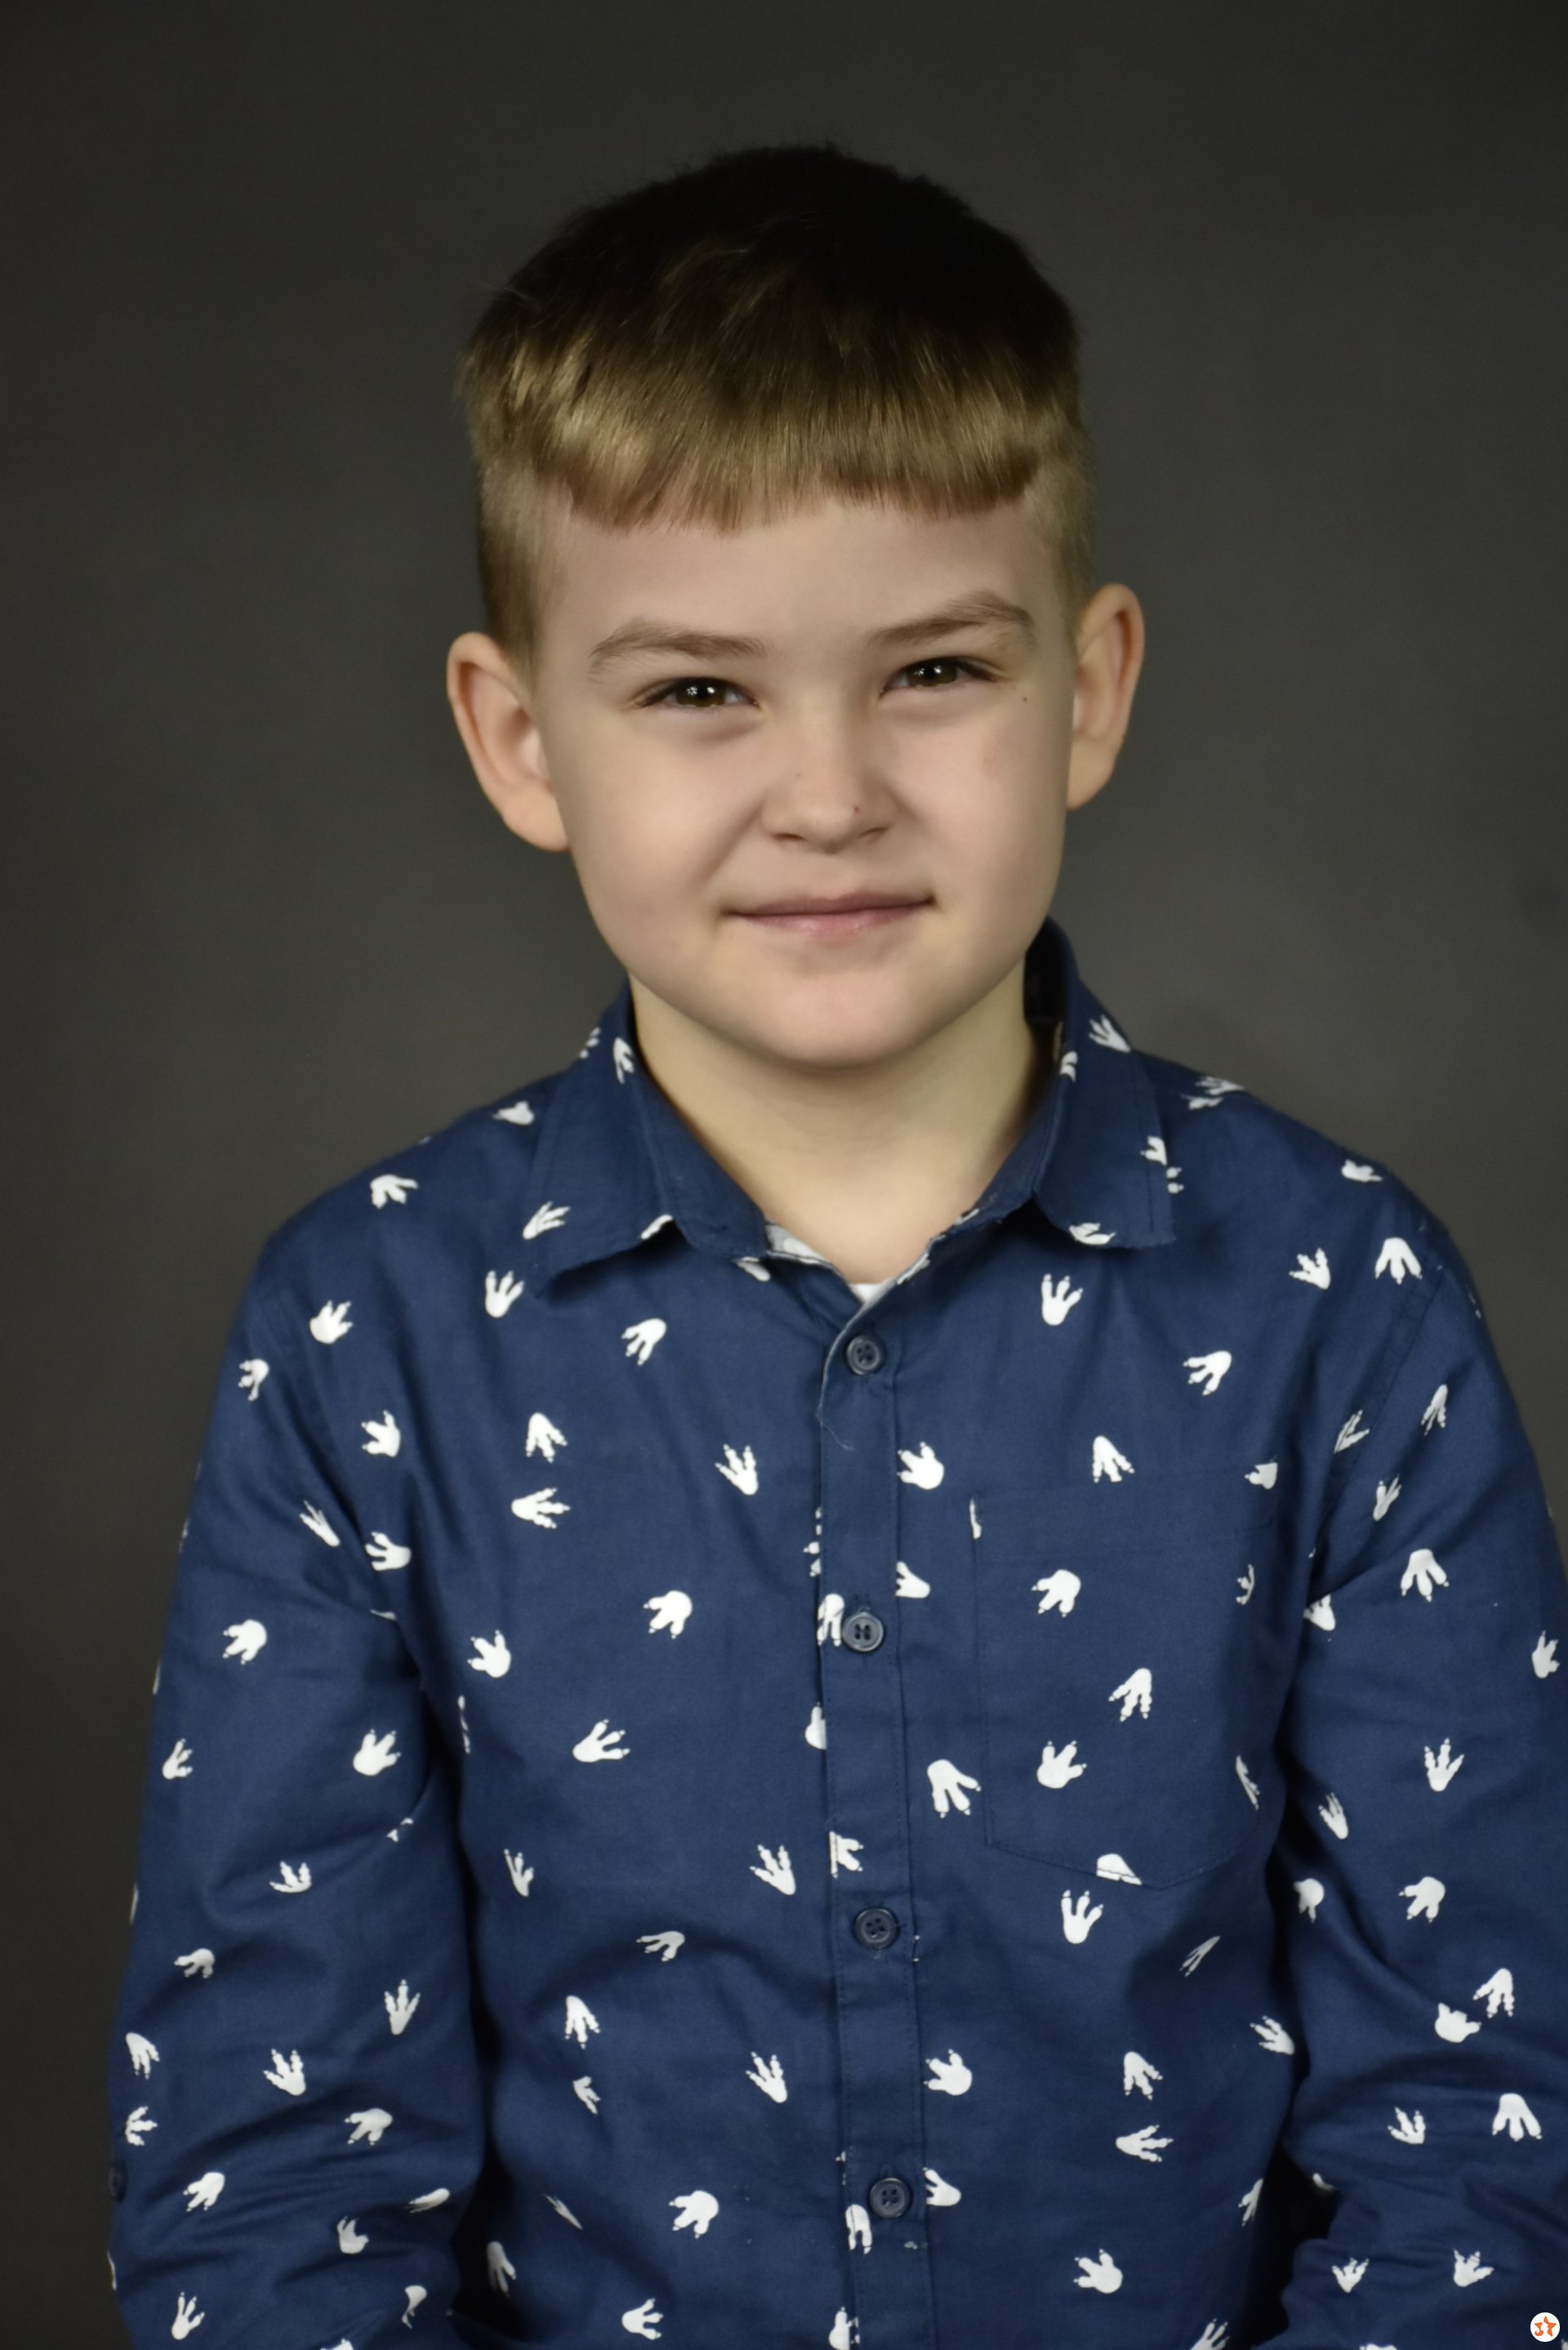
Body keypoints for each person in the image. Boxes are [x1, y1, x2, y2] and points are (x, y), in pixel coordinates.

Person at [105, 140, 1568, 2349]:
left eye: (935, 671)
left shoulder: (1338, 1303)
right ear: (520, 738)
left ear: (1090, 689)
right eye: (700, 691)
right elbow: (278, 2170)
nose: (828, 794)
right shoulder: (366, 1332)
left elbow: (1486, 2128)